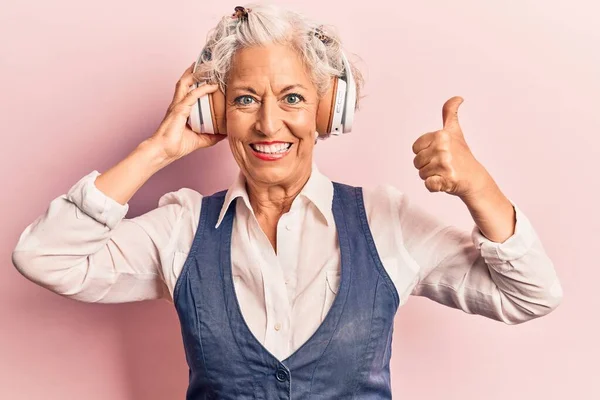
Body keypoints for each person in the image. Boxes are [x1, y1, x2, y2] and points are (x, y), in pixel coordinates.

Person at [11, 3, 563, 399]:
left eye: (293, 98)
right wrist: (157, 151)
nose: (268, 123)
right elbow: (45, 257)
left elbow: (532, 296)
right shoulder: (181, 228)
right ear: (216, 113)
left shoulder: (384, 221)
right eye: (246, 99)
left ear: (327, 113)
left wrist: (478, 189)